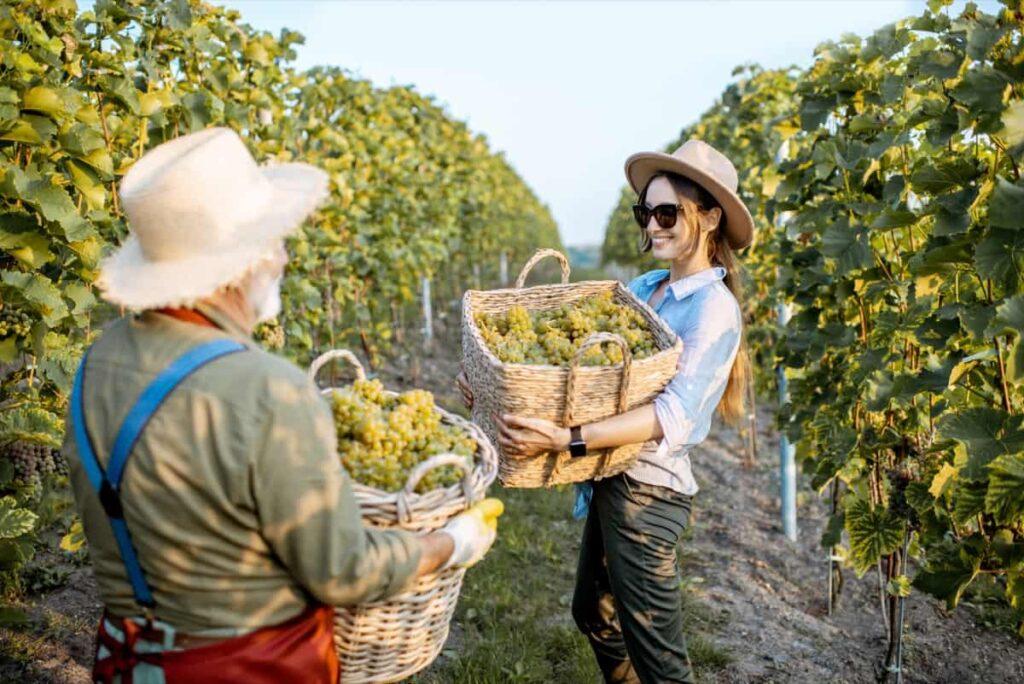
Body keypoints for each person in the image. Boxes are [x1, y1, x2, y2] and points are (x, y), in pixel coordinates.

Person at [65, 127, 502, 684]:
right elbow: (343, 572)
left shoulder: (97, 364)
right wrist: (450, 544)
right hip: (247, 668)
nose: (284, 256)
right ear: (239, 264)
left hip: (128, 663)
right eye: (272, 240)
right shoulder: (265, 388)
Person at [458, 139, 752, 683]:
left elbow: (672, 415)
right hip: (611, 472)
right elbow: (580, 370)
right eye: (647, 212)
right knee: (593, 613)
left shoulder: (714, 309)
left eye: (668, 213)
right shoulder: (646, 288)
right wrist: (497, 387)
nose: (653, 224)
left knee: (658, 655)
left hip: (648, 494)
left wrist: (567, 439)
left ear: (710, 217)